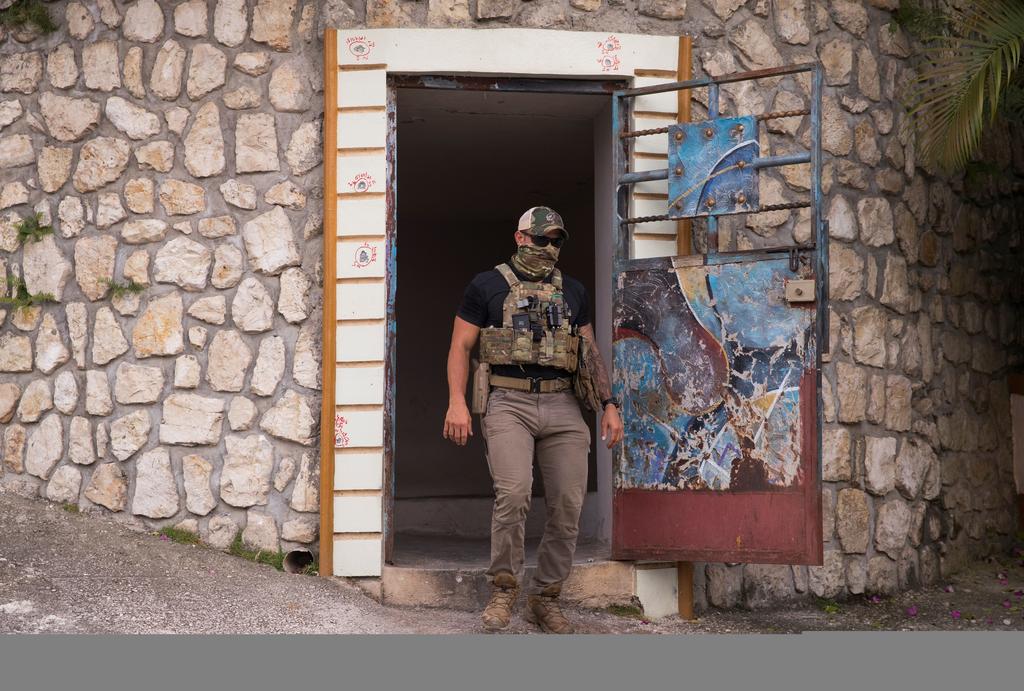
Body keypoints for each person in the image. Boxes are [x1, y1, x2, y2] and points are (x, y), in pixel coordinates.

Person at [443, 206, 623, 634]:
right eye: (541, 239)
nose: (549, 247)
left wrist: (609, 403)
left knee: (568, 504)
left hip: (562, 403)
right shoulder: (486, 285)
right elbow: (460, 346)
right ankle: (504, 590)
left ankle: (545, 598)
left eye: (556, 241)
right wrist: (456, 402)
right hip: (509, 401)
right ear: (520, 238)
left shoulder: (573, 291)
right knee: (514, 494)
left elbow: (590, 351)